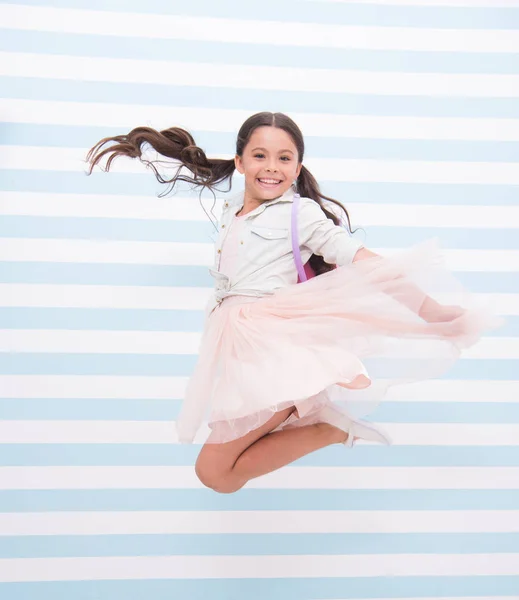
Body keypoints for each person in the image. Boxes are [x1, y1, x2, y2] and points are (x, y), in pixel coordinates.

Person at [87, 111, 502, 494]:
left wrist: (433, 312)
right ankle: (331, 427)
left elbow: (366, 262)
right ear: (240, 162)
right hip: (239, 349)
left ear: (297, 168)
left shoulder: (300, 215)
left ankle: (331, 429)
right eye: (260, 155)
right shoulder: (232, 210)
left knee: (213, 472)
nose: (272, 166)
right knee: (216, 475)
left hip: (274, 350)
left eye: (284, 158)